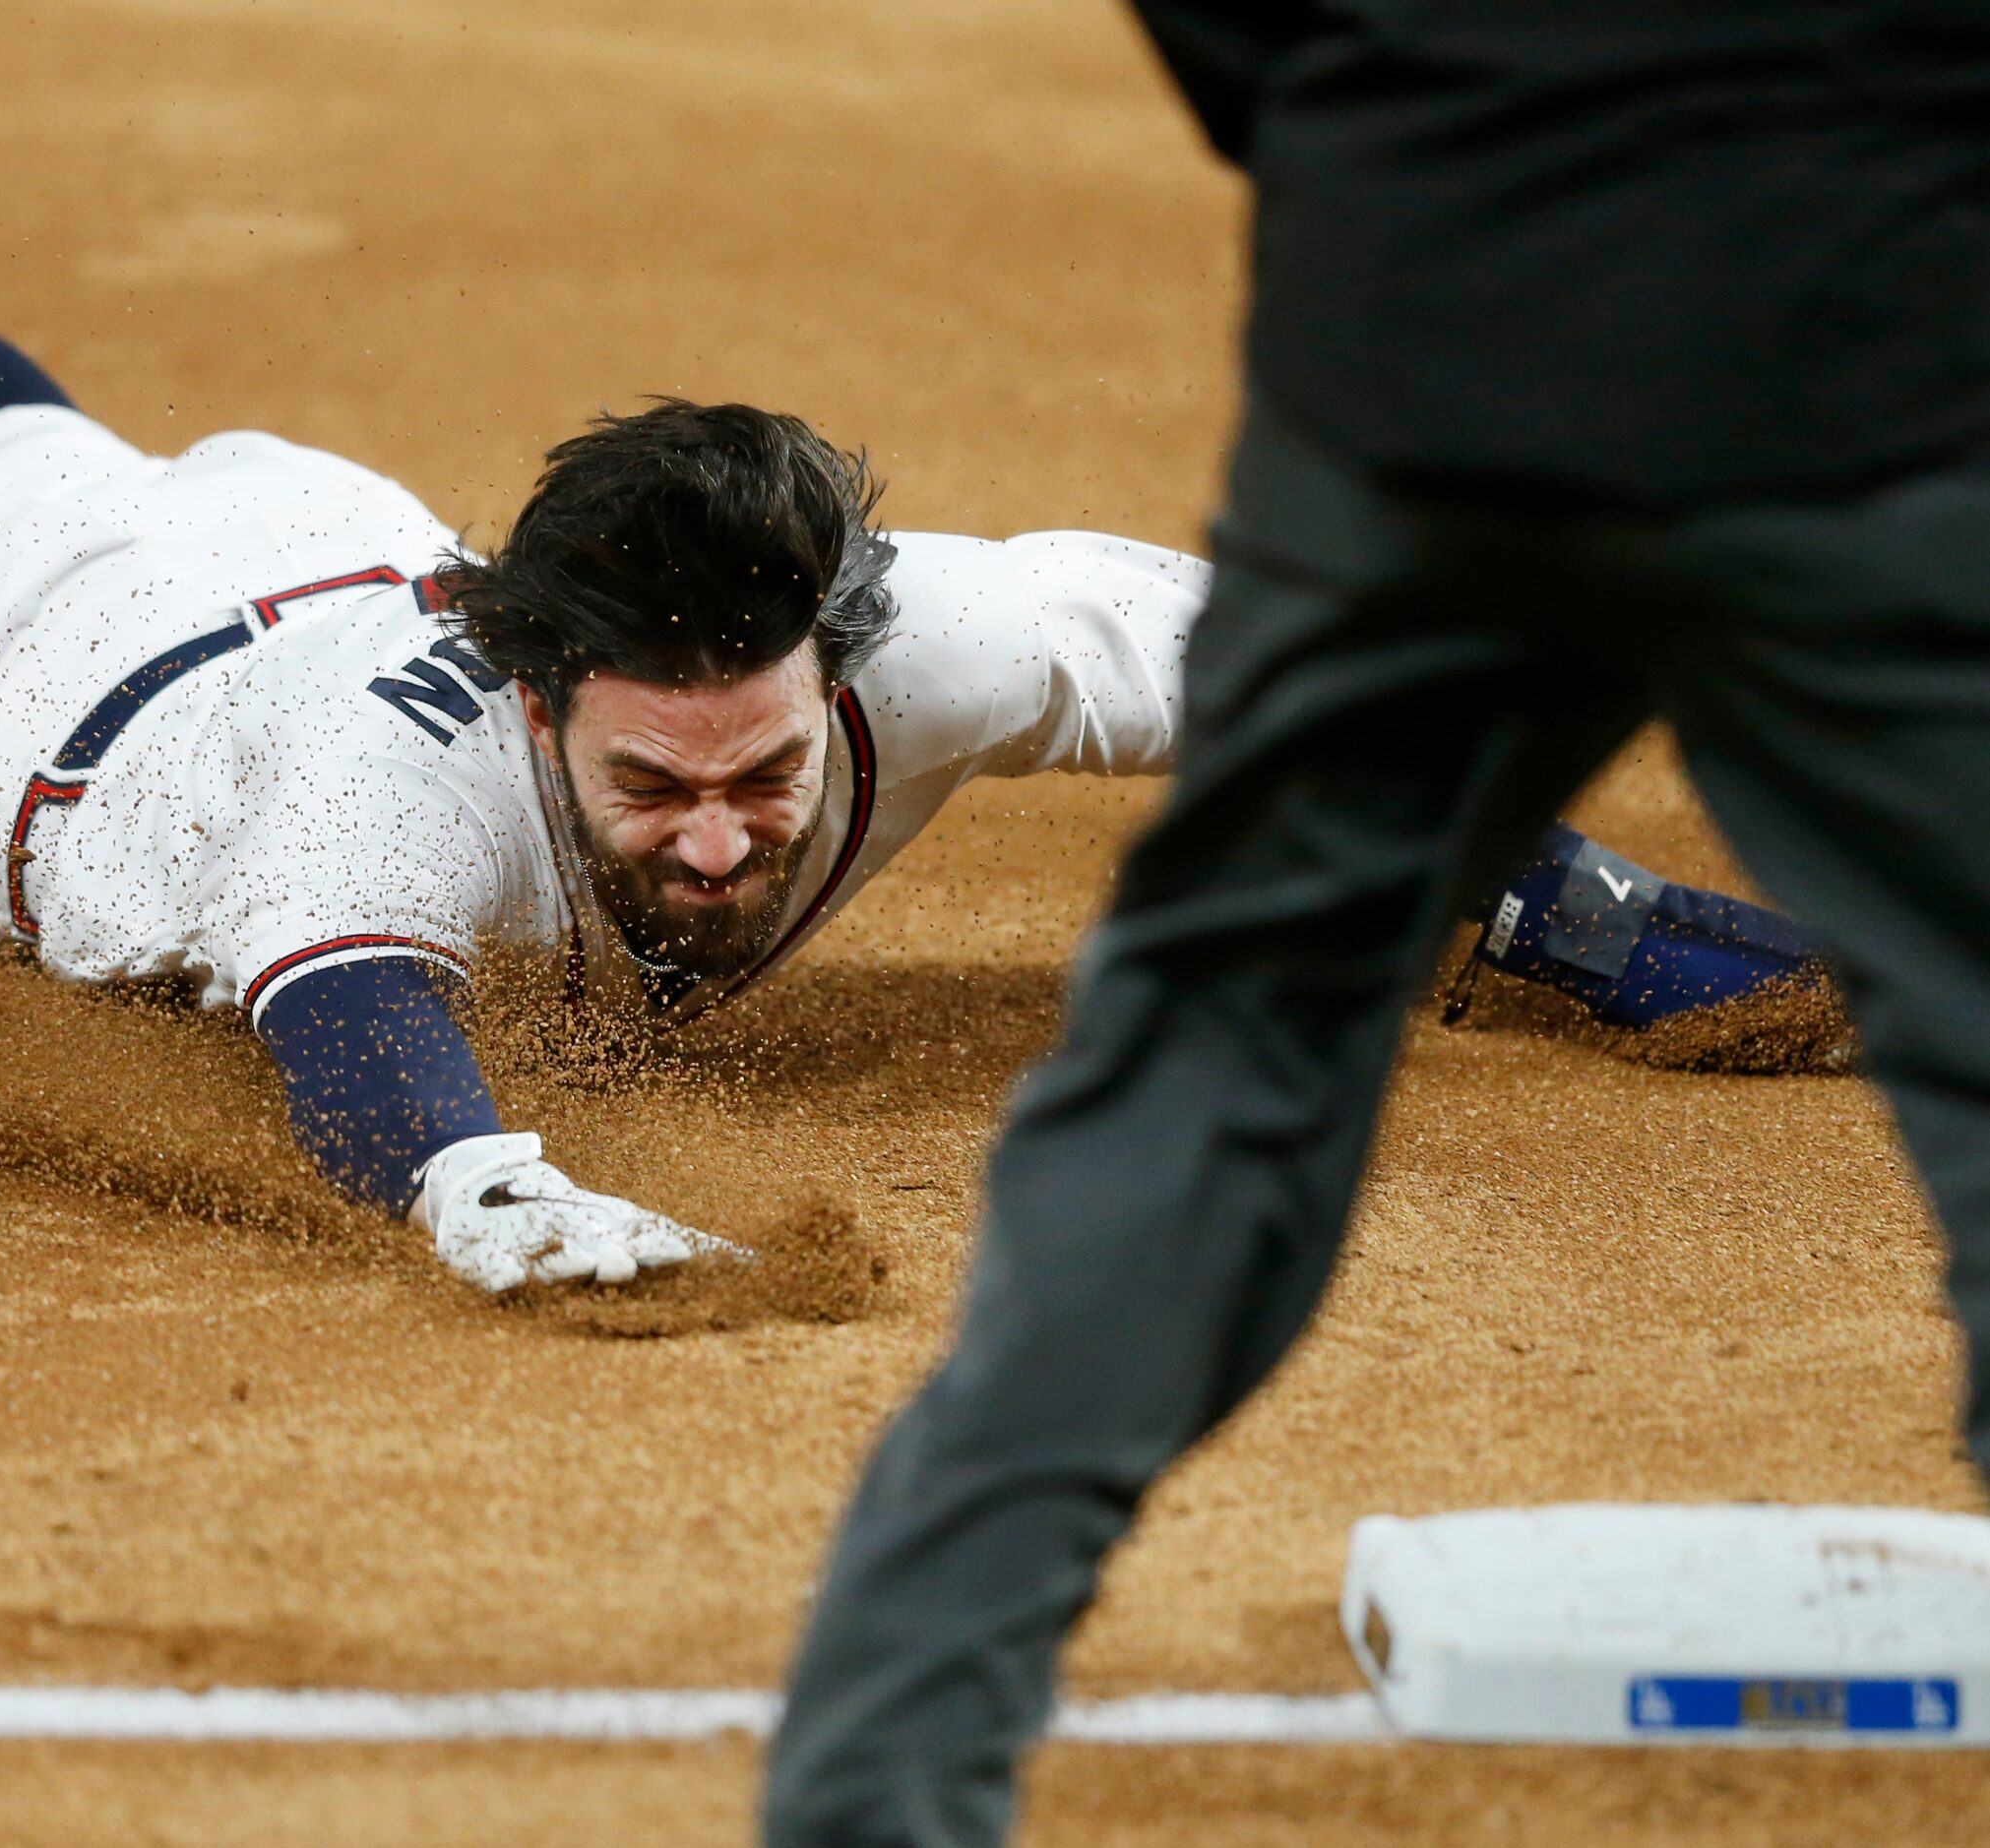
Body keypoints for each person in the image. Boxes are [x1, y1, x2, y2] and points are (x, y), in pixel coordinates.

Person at [0, 106, 1808, 1307]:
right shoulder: (383, 785)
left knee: (31, 451)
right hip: (25, 728)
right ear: (540, 697)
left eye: (761, 775)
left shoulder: (932, 635)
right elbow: (358, 1035)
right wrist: (493, 1200)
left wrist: (1588, 918)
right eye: (655, 787)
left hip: (285, 532)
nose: (727, 843)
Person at [763, 3, 1990, 1842]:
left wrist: (1417, 138)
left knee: (1210, 1065)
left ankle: (879, 1789)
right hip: (1856, 324)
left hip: (1427, 318)